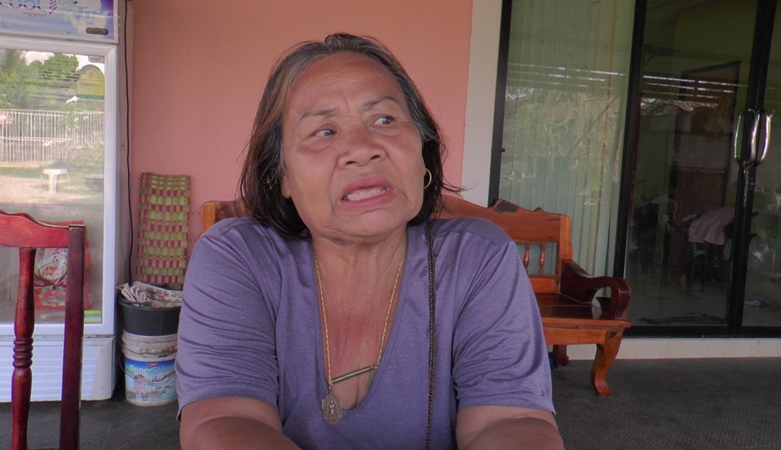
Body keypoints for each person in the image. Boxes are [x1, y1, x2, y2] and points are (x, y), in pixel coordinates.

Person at [176, 33, 563, 449]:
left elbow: (511, 421)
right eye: (324, 130)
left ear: (421, 150)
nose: (361, 150)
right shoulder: (238, 258)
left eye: (384, 120)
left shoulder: (478, 258)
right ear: (281, 176)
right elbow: (225, 419)